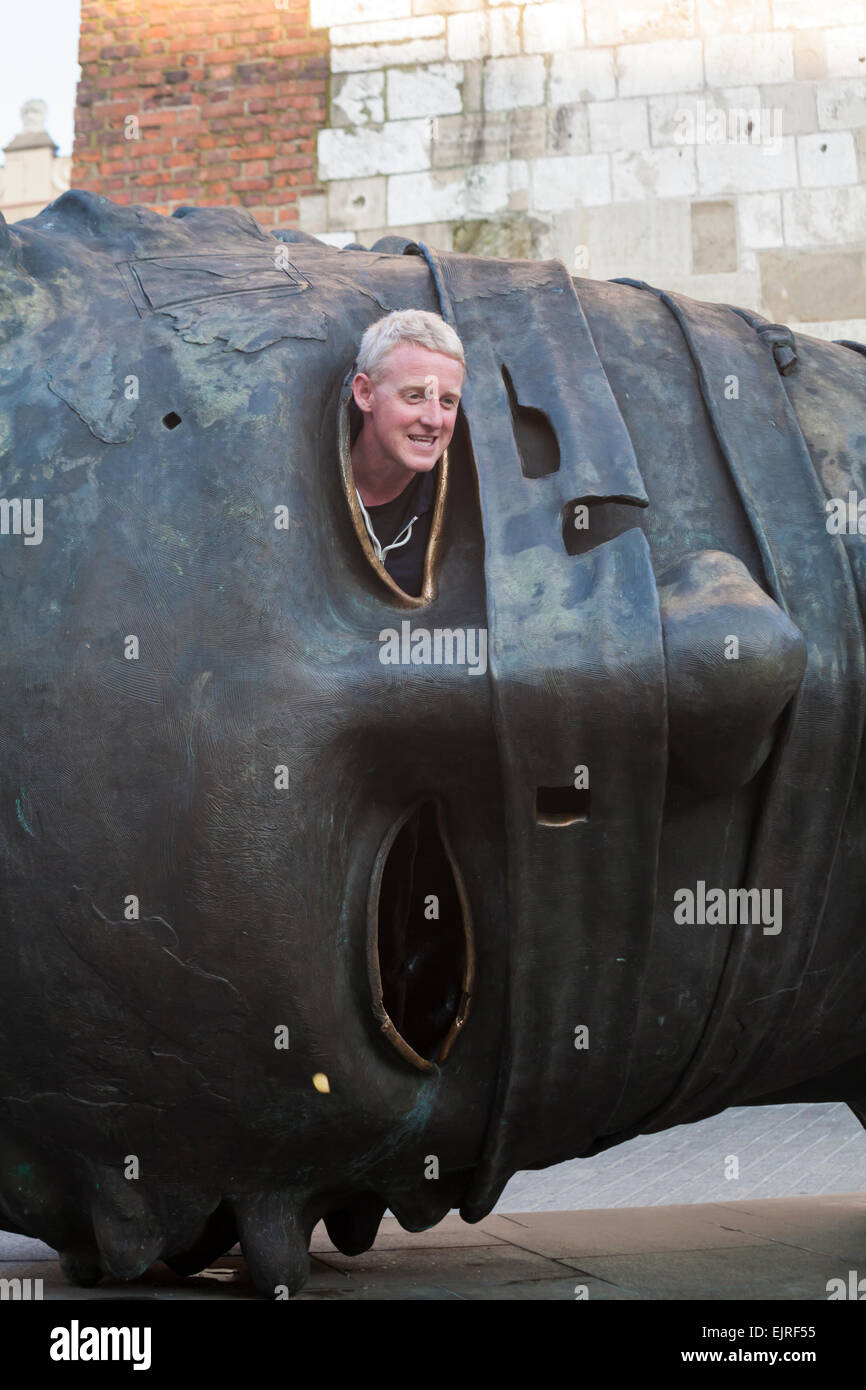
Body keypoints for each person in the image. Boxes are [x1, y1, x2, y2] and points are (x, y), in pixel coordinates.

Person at [349, 309, 466, 597]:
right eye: (414, 396)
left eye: (448, 401)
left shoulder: (470, 501)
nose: (434, 420)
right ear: (366, 393)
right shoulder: (302, 487)